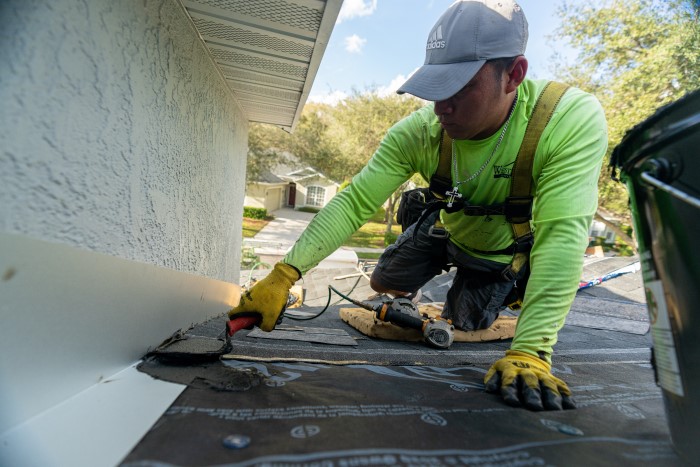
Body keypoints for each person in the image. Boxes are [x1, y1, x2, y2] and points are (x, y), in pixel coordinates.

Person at [230, 0, 607, 411]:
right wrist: (285, 274)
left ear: (513, 75)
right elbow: (355, 202)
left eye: (459, 87)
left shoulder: (566, 120)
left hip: (498, 252)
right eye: (434, 88)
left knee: (465, 322)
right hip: (445, 229)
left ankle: (501, 292)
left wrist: (532, 350)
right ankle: (421, 283)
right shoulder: (420, 132)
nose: (440, 106)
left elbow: (562, 237)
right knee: (382, 282)